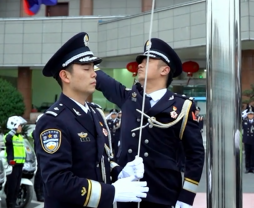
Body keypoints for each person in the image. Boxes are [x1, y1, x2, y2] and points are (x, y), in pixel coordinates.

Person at [37, 32, 149, 208]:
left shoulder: (95, 113)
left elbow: (100, 160)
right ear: (65, 76)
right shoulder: (54, 121)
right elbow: (57, 182)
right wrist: (111, 192)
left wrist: (120, 172)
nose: (94, 74)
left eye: (93, 68)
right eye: (86, 69)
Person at [94, 37, 205, 208]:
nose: (140, 64)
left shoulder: (182, 107)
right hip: (128, 196)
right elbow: (100, 77)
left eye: (148, 60)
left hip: (163, 196)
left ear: (165, 70)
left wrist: (186, 196)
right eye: (140, 60)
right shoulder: (128, 98)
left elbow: (195, 154)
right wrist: (82, 59)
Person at [4, 115, 28, 208]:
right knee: (12, 186)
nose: (21, 127)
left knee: (17, 186)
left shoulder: (20, 137)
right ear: (14, 126)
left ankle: (13, 202)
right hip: (13, 165)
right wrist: (13, 130)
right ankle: (10, 204)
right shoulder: (9, 137)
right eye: (19, 125)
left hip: (20, 164)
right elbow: (7, 139)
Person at [31, 114, 45, 202]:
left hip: (45, 157)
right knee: (39, 175)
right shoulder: (36, 132)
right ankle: (39, 194)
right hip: (39, 156)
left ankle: (43, 192)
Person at [242, 109, 254, 174]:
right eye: (249, 114)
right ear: (247, 115)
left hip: (253, 140)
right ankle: (247, 168)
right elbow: (242, 130)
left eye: (251, 114)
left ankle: (252, 168)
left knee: (252, 155)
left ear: (253, 115)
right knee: (247, 155)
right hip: (247, 140)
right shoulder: (244, 121)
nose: (250, 115)